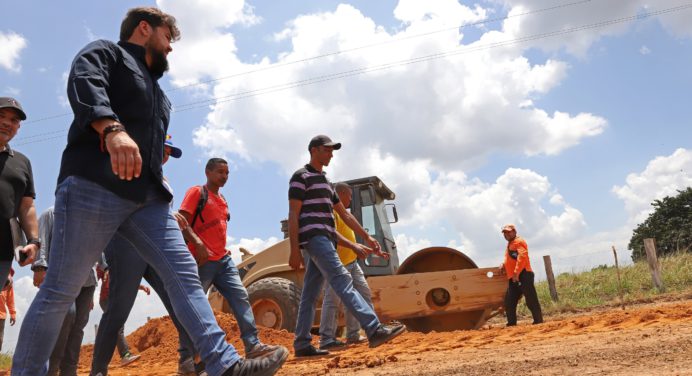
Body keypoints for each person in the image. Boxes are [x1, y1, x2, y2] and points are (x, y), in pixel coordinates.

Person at [12, 7, 287, 376]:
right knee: (62, 288)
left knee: (185, 277)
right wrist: (111, 129)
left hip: (149, 201)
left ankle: (224, 365)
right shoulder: (104, 53)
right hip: (96, 185)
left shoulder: (160, 95)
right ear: (145, 28)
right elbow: (84, 81)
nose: (171, 48)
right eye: (167, 38)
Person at [288, 135, 406, 357]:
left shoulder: (326, 182)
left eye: (332, 150)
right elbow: (293, 213)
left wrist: (367, 237)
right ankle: (373, 329)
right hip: (314, 238)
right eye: (327, 149)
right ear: (314, 150)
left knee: (310, 294)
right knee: (342, 280)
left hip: (326, 239)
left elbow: (345, 215)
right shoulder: (300, 177)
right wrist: (294, 250)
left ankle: (302, 343)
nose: (331, 154)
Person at [90, 136, 197, 376]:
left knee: (179, 303)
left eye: (169, 151)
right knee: (118, 310)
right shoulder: (131, 166)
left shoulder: (163, 180)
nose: (166, 155)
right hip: (127, 246)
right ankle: (98, 371)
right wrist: (106, 263)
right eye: (162, 149)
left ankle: (189, 363)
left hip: (155, 247)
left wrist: (172, 217)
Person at [177, 158, 280, 366]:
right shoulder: (197, 192)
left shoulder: (222, 199)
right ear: (208, 172)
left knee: (240, 296)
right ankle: (187, 359)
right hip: (201, 261)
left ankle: (252, 346)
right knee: (195, 306)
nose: (224, 176)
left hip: (223, 260)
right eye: (220, 172)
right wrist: (198, 243)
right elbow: (181, 220)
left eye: (227, 173)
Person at [33, 206, 107, 376]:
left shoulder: (87, 216)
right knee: (67, 317)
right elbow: (42, 241)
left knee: (79, 325)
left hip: (87, 280)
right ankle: (51, 370)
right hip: (60, 278)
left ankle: (69, 371)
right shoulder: (50, 214)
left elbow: (96, 245)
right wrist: (40, 267)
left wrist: (105, 266)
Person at [319, 182, 389, 350]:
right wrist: (354, 246)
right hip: (337, 265)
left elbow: (352, 243)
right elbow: (332, 234)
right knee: (332, 301)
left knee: (363, 294)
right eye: (349, 195)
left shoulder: (345, 215)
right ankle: (326, 339)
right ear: (341, 194)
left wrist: (372, 250)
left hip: (352, 263)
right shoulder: (331, 212)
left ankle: (355, 334)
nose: (351, 199)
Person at [0, 97, 40, 287]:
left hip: (2, 252)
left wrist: (33, 241)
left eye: (14, 120)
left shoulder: (22, 162)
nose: (7, 122)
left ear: (18, 127)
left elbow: (26, 206)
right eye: (1, 116)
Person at [498, 224, 543, 326]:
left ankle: (538, 321)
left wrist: (516, 273)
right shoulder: (510, 244)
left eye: (509, 232)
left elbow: (522, 257)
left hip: (523, 274)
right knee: (509, 301)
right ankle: (511, 324)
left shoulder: (518, 241)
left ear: (514, 231)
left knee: (531, 299)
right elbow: (511, 258)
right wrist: (503, 264)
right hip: (513, 277)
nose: (506, 234)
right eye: (505, 233)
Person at [0, 269, 16, 352]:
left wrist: (13, 314)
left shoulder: (9, 284)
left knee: (0, 340)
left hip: (1, 316)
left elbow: (10, 300)